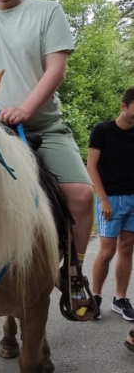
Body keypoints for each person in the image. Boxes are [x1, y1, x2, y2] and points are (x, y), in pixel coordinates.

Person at [0, 0, 94, 317]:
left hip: (44, 127)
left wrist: (25, 110)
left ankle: (72, 273)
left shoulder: (48, 12)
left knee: (81, 195)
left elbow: (55, 69)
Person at [87, 87, 134, 321]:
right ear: (123, 106)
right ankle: (95, 297)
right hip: (110, 199)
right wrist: (103, 198)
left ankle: (120, 299)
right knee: (107, 251)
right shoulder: (102, 130)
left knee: (127, 248)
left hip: (133, 199)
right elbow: (91, 166)